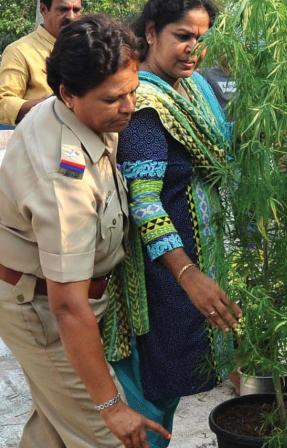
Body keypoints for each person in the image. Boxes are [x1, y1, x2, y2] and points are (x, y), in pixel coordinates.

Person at [0, 15, 170, 448]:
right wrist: (112, 407)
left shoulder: (92, 117)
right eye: (115, 98)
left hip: (50, 296)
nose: (130, 107)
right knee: (109, 437)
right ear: (68, 95)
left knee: (54, 430)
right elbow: (68, 308)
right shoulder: (63, 176)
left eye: (133, 91)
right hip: (43, 310)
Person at [104, 1, 241, 446]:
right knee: (150, 397)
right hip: (163, 278)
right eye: (182, 36)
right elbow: (146, 204)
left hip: (190, 271)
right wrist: (189, 274)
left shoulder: (192, 88)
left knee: (170, 390)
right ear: (150, 32)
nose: (193, 49)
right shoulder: (145, 105)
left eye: (201, 39)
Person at [0, 0, 82, 125]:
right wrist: (53, 106)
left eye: (76, 10)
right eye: (63, 9)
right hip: (42, 137)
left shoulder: (88, 48)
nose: (71, 16)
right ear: (43, 10)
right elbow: (3, 103)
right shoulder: (19, 51)